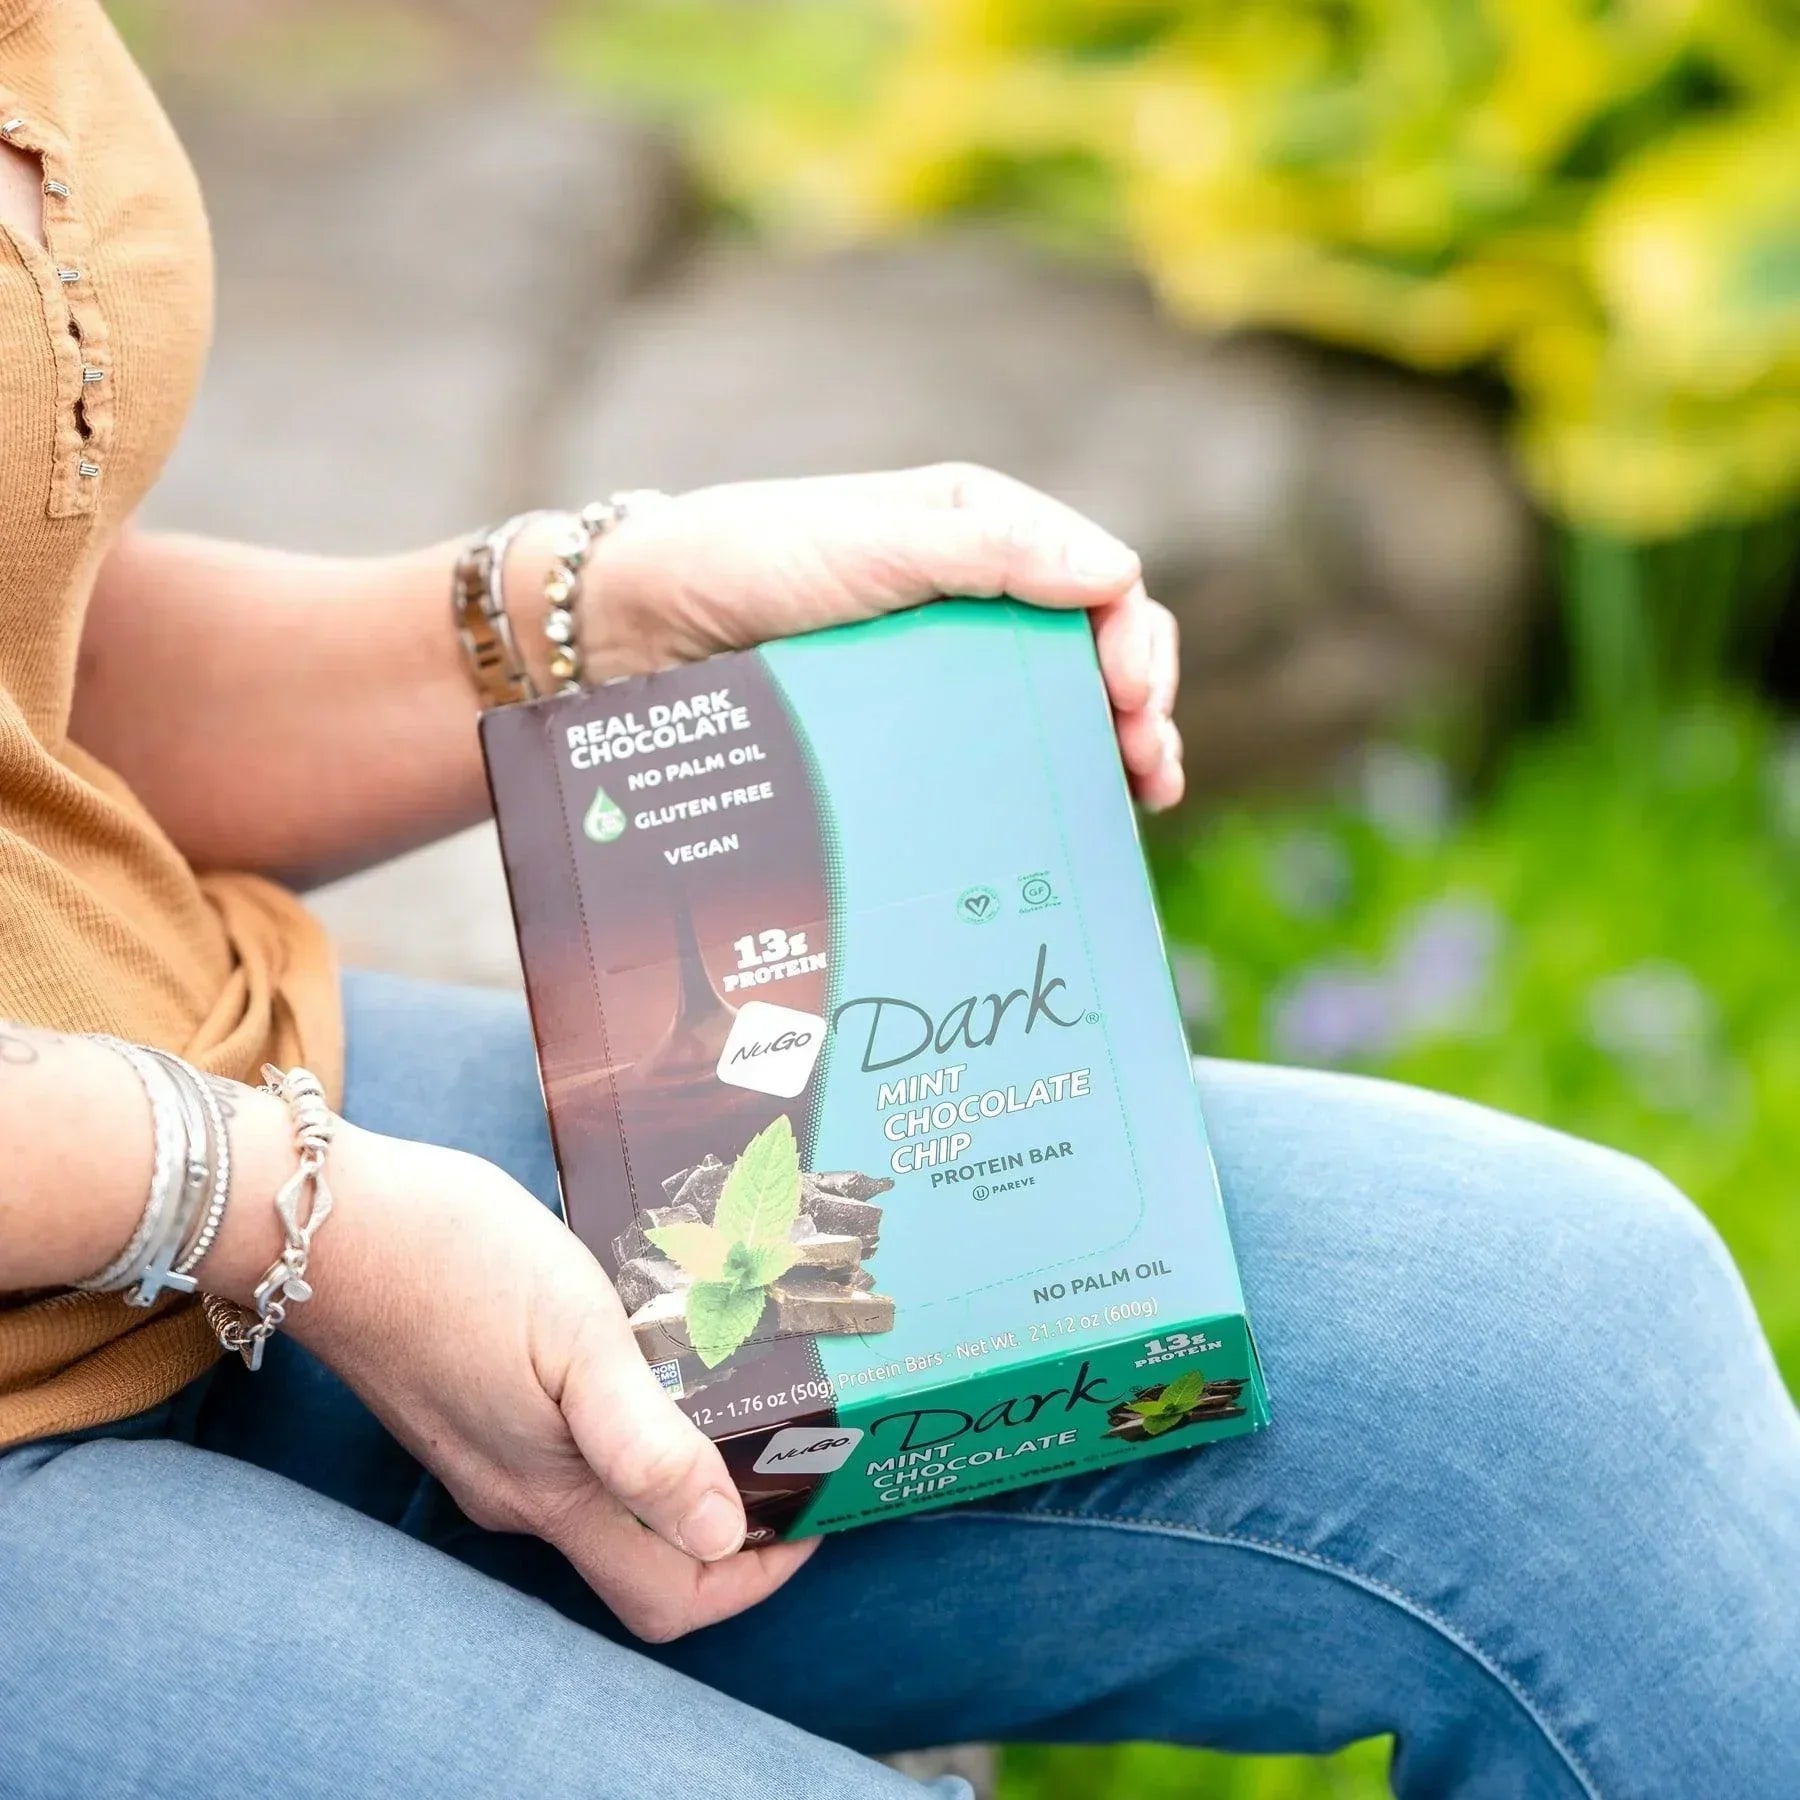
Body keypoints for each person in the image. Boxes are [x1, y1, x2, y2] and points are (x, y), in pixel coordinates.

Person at [1, 5, 1795, 1796]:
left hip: (230, 1086)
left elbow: (36, 671)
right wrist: (278, 1208)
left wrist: (596, 607)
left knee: (1572, 1373)